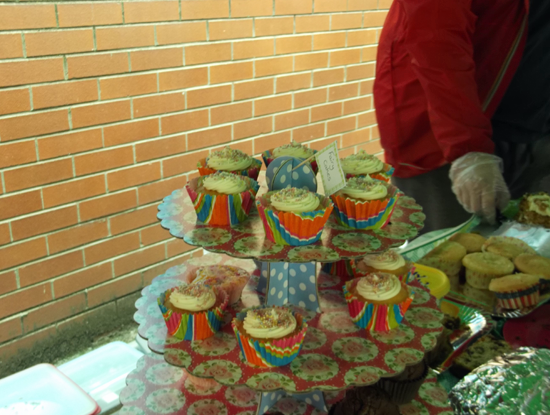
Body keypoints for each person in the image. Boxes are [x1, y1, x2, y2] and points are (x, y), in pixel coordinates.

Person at [373, 0, 550, 233]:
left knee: (533, 258)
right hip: (444, 139)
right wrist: (467, 148)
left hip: (538, 134)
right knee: (443, 258)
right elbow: (435, 40)